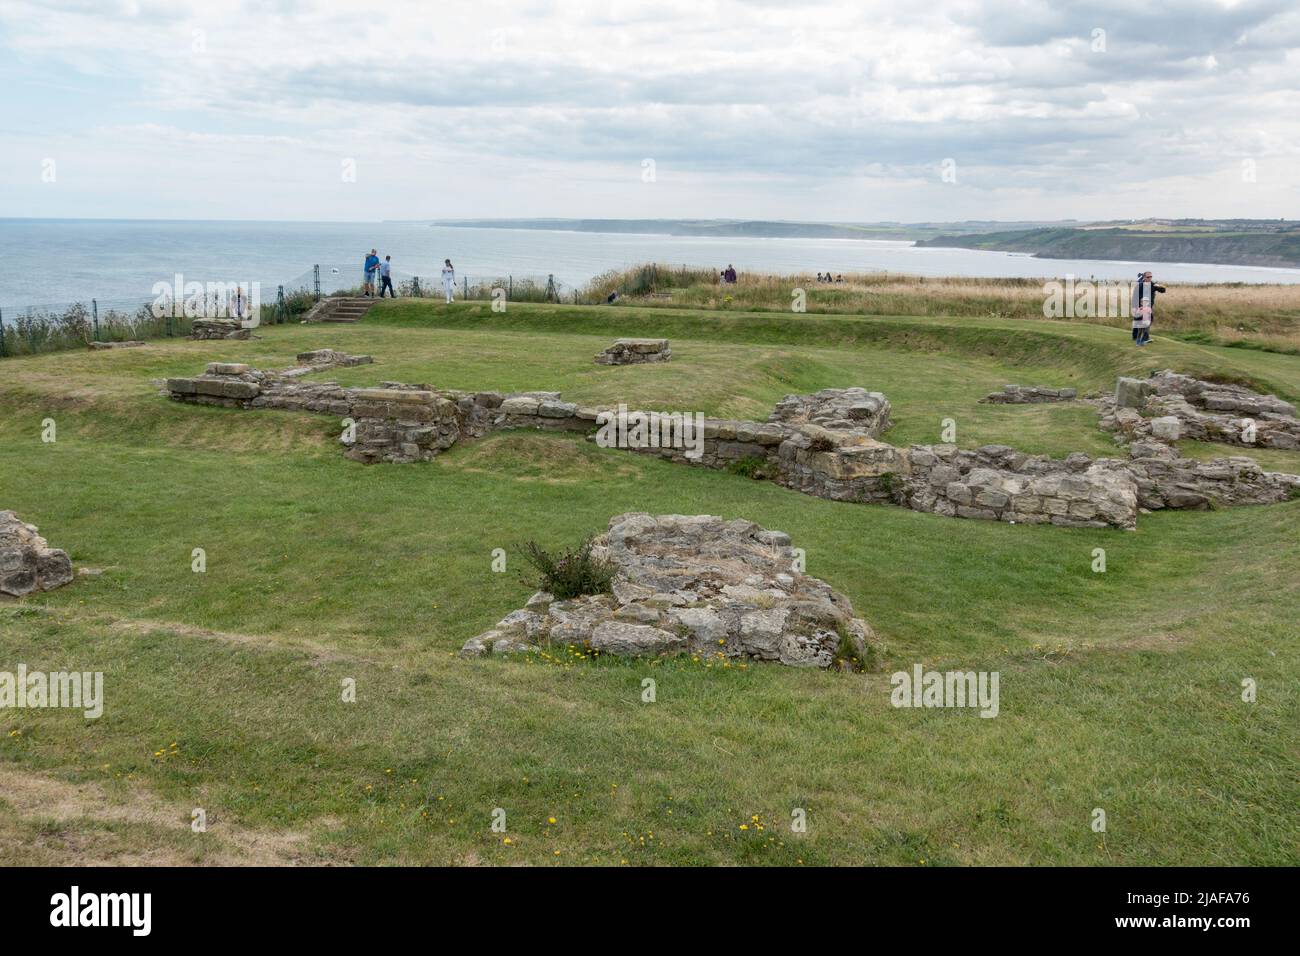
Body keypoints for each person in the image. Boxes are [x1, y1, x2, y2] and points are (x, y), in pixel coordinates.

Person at [1130, 270, 1165, 346]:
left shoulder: (1153, 285)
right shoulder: (1139, 286)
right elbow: (1135, 297)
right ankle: (1136, 337)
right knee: (1138, 322)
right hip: (1140, 307)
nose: (1150, 278)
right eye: (1148, 277)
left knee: (1147, 322)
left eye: (1151, 277)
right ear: (1144, 277)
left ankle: (1144, 338)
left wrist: (1160, 286)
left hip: (1148, 307)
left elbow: (1163, 291)